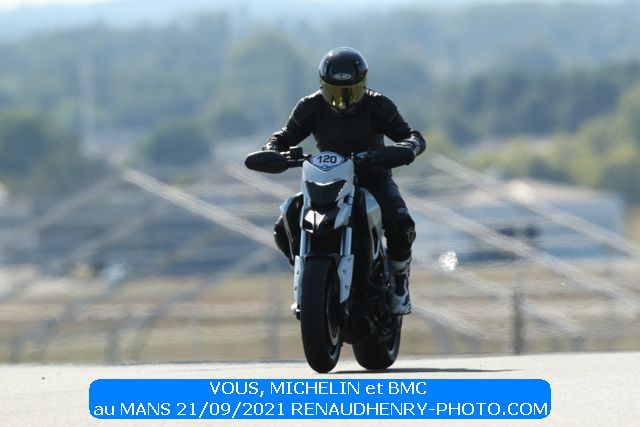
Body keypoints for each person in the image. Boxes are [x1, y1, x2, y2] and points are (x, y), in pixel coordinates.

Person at [262, 47, 426, 315]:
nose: (342, 100)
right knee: (285, 222)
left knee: (401, 223)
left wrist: (403, 149)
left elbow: (411, 136)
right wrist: (272, 150)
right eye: (334, 92)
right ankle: (304, 272)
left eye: (350, 92)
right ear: (322, 85)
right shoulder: (310, 106)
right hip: (327, 179)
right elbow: (282, 137)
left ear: (363, 85)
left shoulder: (379, 105)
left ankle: (399, 281)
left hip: (373, 177)